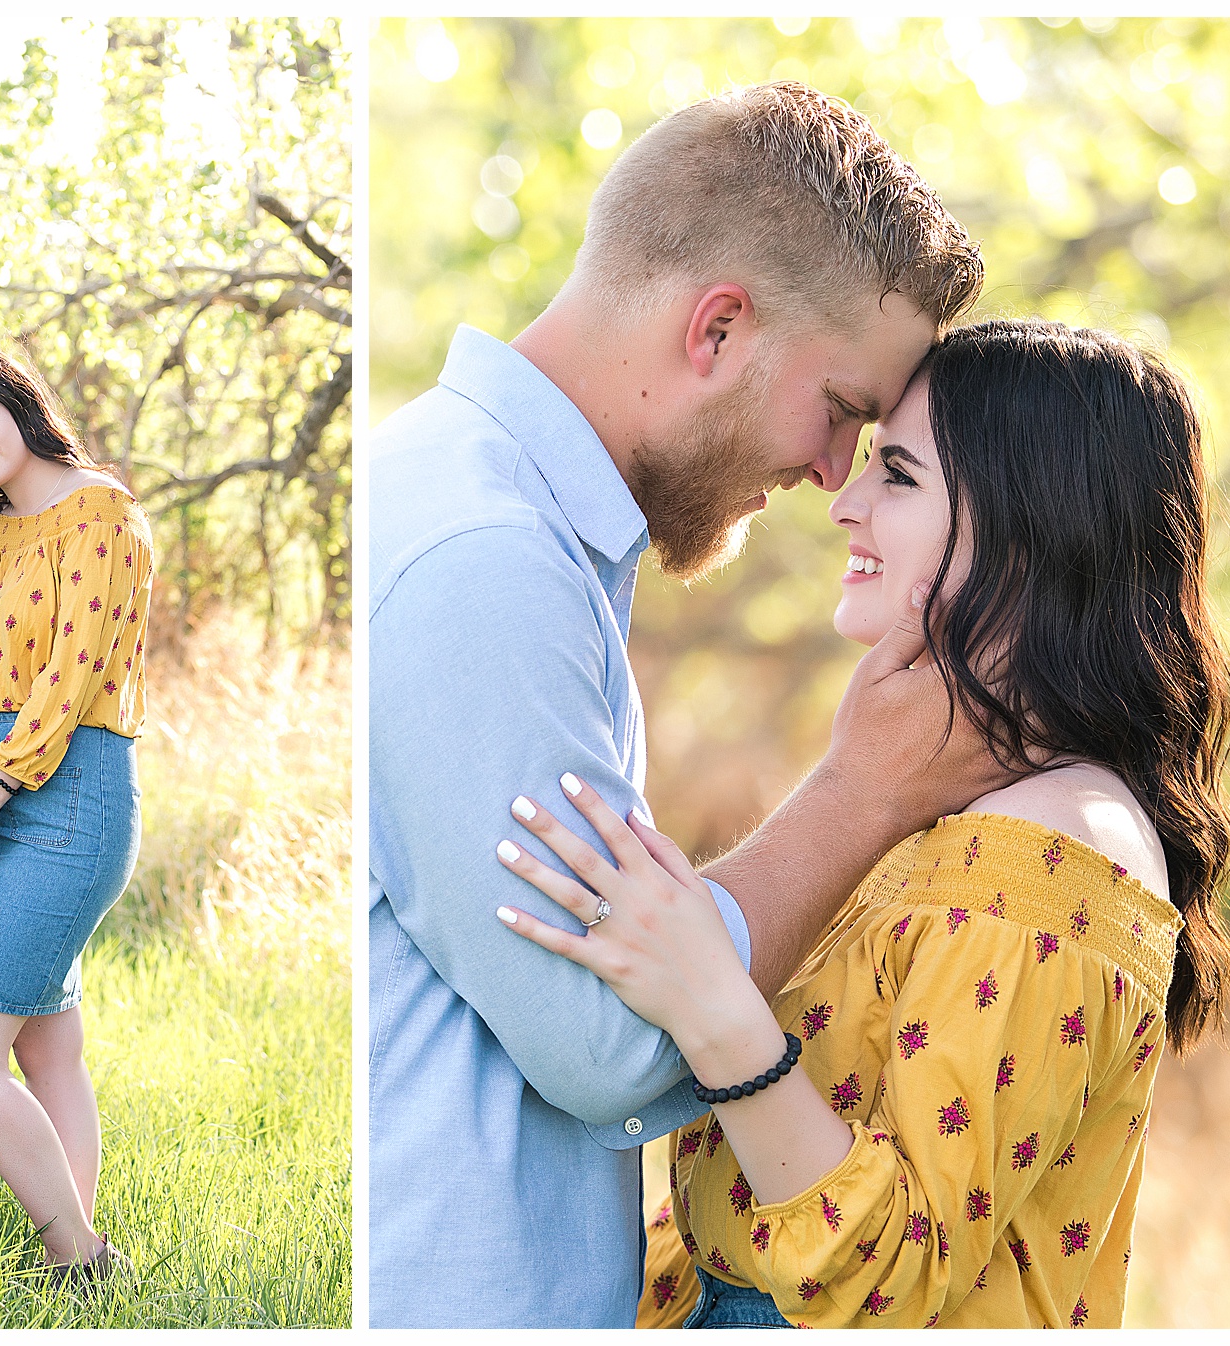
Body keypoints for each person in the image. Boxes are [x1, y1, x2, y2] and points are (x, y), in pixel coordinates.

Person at [367, 81, 1007, 1329]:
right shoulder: (481, 560)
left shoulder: (501, 518)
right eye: (841, 413)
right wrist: (864, 791)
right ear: (717, 329)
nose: (836, 478)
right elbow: (605, 1040)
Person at [496, 321, 1230, 1328]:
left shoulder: (1063, 843)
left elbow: (892, 1274)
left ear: (1030, 527)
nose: (843, 502)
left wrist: (715, 1006)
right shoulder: (953, 793)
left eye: (897, 472)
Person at [0, 343, 151, 1282]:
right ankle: (71, 1258)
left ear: (18, 405)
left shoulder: (102, 513)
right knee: (48, 1043)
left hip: (68, 794)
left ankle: (82, 1256)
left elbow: (70, 676)